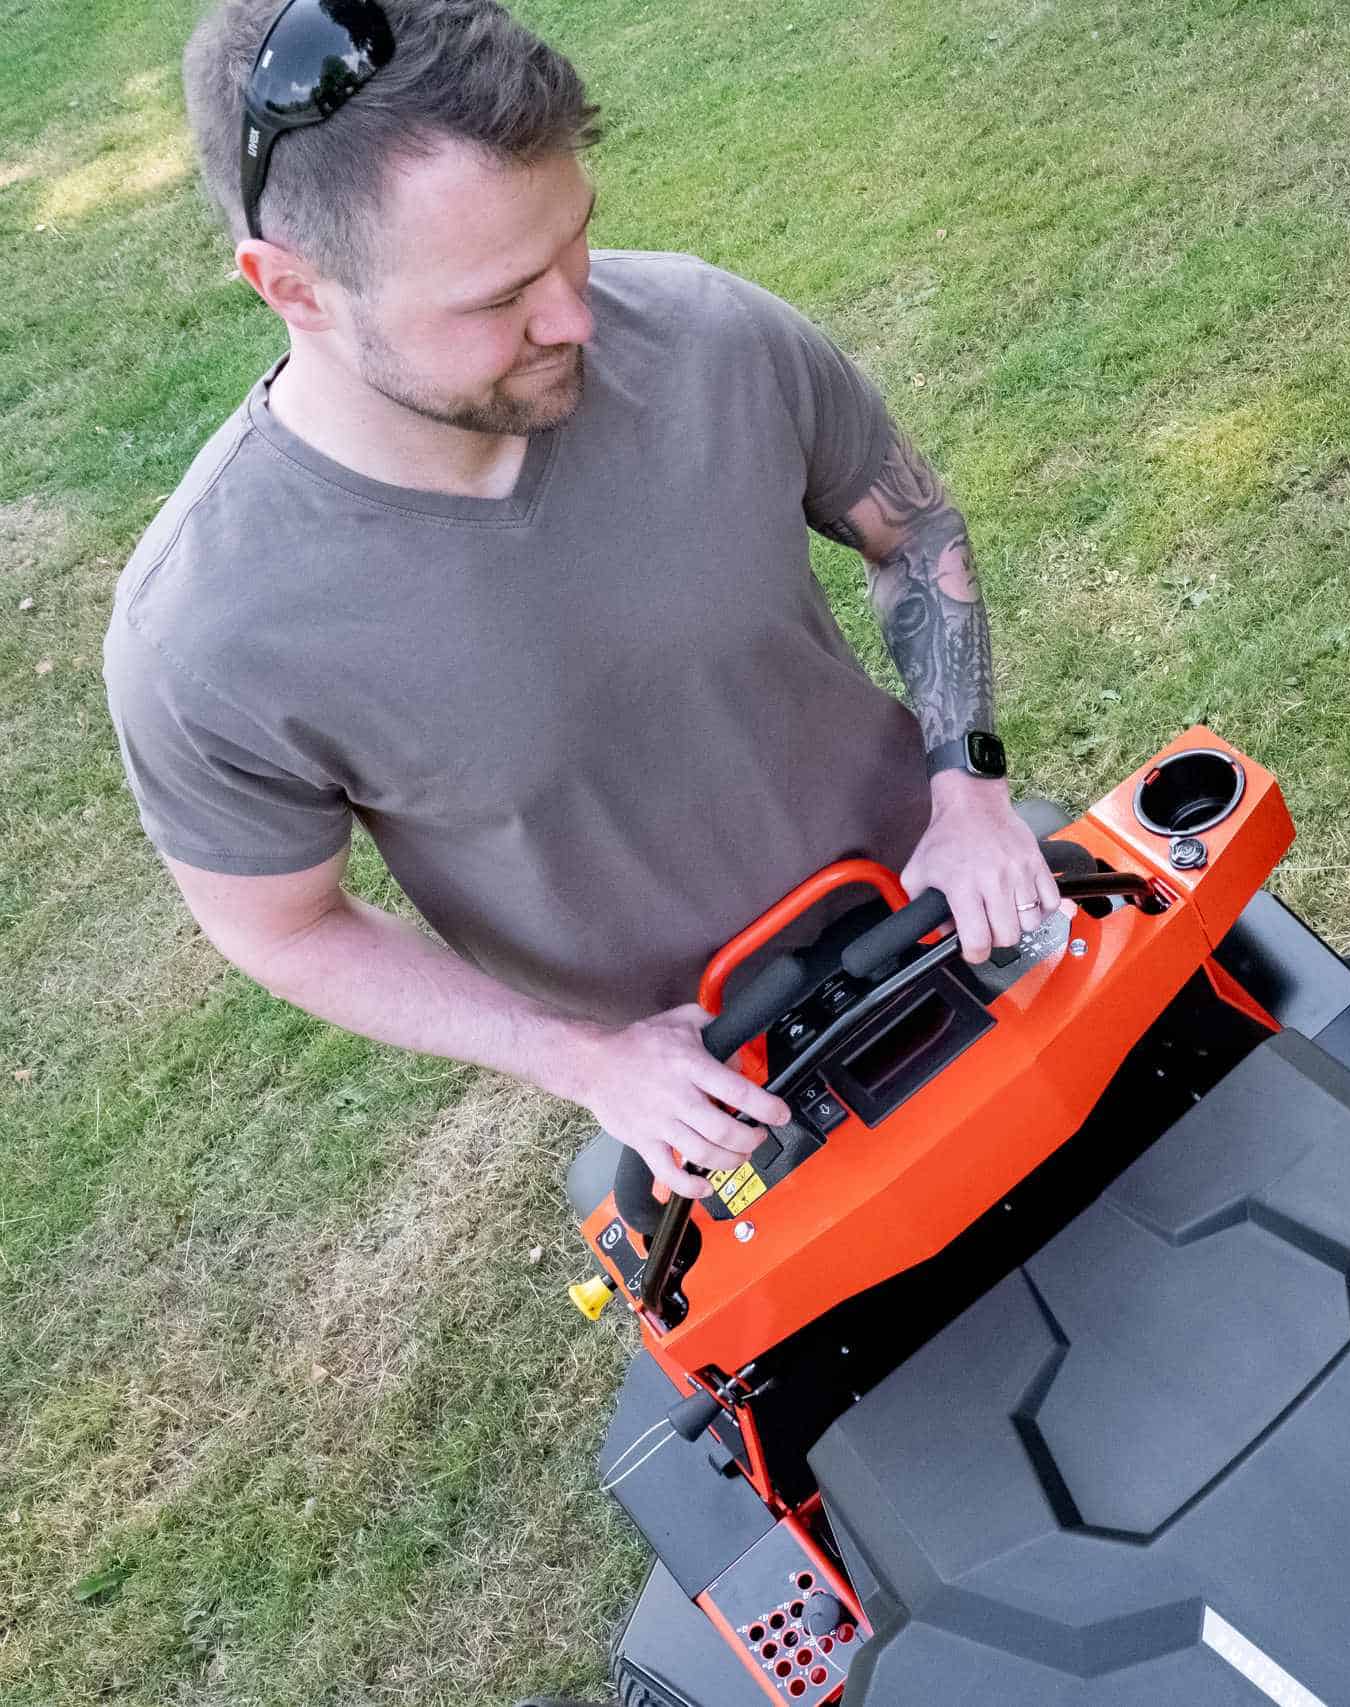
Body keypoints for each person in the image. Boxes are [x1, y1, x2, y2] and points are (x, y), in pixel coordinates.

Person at [104, 0, 1062, 1203]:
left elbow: (908, 526)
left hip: (950, 896)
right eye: (497, 298)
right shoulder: (202, 639)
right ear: (292, 287)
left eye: (575, 239)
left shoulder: (710, 333)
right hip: (717, 1083)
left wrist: (970, 794)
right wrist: (584, 1058)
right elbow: (282, 926)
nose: (574, 317)